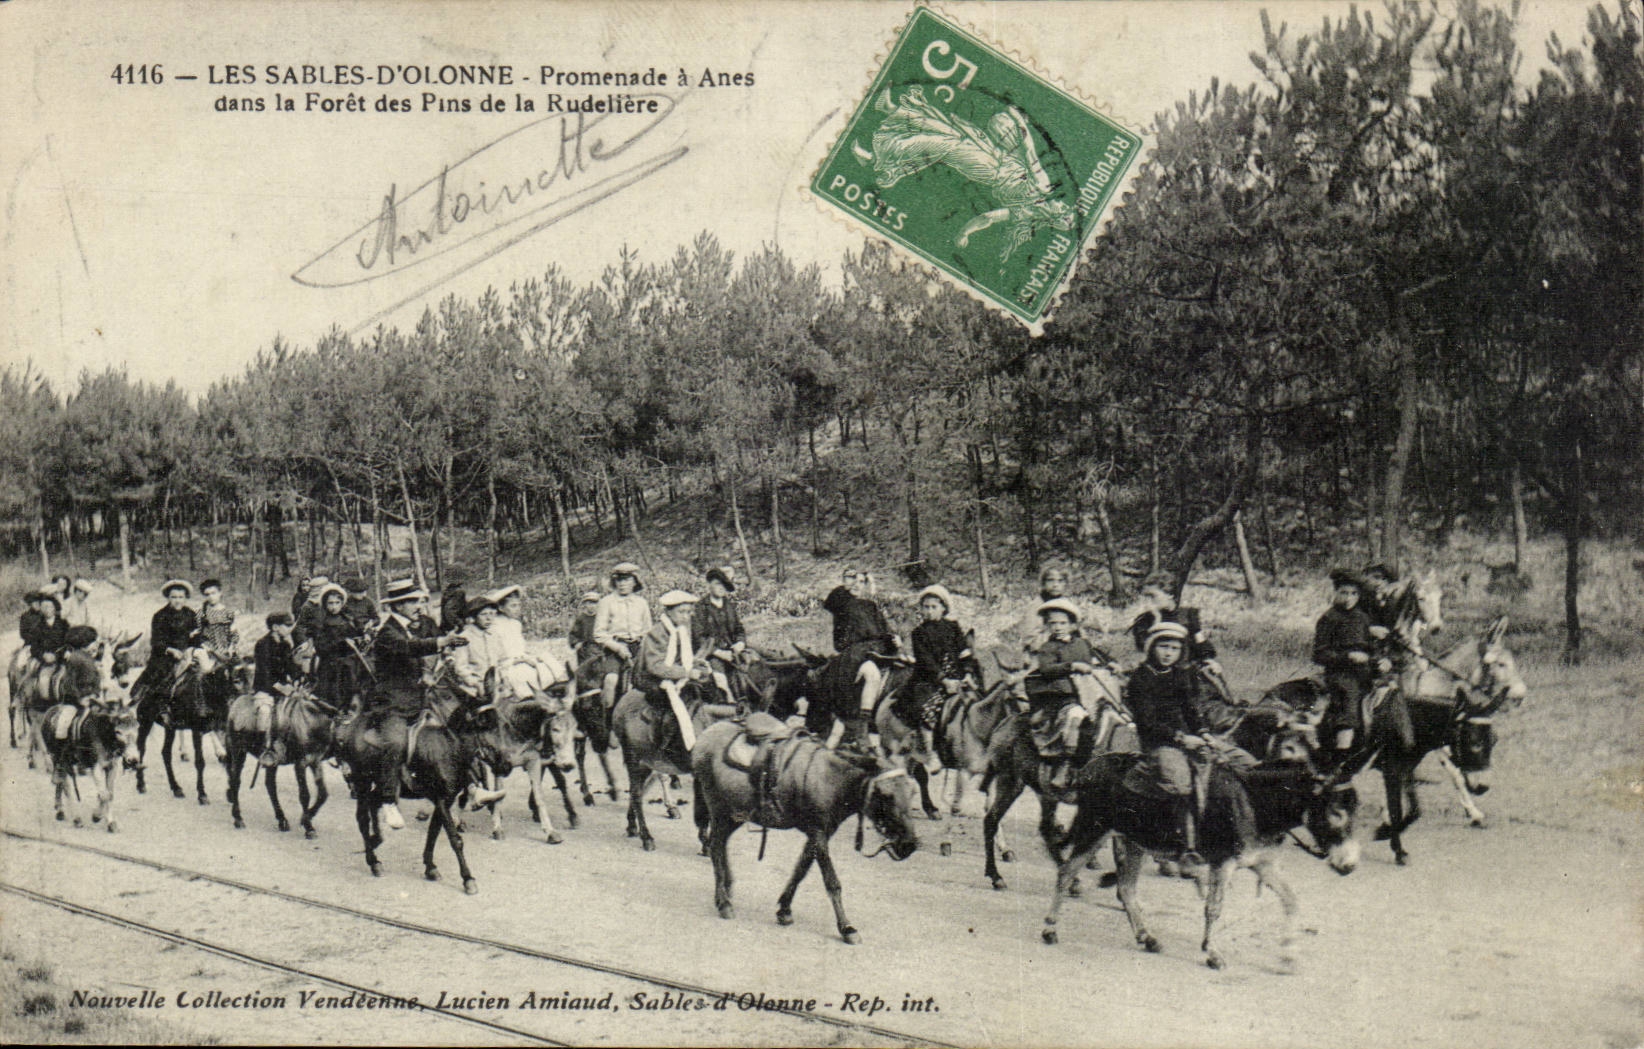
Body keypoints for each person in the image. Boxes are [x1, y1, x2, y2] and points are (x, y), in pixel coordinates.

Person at [360, 578, 484, 830]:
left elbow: (429, 646)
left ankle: (473, 785)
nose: (418, 606)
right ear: (398, 606)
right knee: (394, 741)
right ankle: (387, 801)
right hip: (392, 703)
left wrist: (443, 654)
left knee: (457, 728)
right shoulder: (388, 632)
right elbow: (409, 647)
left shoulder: (417, 625)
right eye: (412, 602)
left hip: (421, 698)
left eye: (418, 601)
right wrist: (440, 643)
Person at [1125, 620, 1209, 861]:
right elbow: (1147, 723)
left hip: (1187, 738)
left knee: (1229, 764)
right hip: (1159, 742)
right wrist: (1182, 739)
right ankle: (1177, 843)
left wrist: (1203, 732)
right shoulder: (1141, 678)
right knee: (1180, 783)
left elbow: (1190, 709)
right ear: (1152, 647)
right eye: (1163, 647)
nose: (1168, 653)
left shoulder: (1179, 675)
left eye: (1174, 649)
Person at [1023, 599, 1102, 788]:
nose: (1058, 627)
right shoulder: (1048, 648)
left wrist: (1110, 664)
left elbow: (1097, 657)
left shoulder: (1082, 643)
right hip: (1061, 695)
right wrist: (1071, 666)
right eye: (1053, 623)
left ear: (1073, 625)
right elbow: (1047, 669)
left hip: (1088, 691)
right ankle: (1065, 765)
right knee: (1075, 716)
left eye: (1063, 623)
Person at [1312, 569, 1388, 752]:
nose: (1349, 598)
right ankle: (1342, 751)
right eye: (1344, 593)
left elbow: (1371, 648)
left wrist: (1382, 661)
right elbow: (1319, 654)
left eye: (1354, 593)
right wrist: (1347, 657)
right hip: (1341, 673)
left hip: (1366, 671)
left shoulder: (1362, 618)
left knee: (1391, 692)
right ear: (1335, 593)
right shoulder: (1329, 618)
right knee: (1349, 698)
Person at [820, 567, 898, 743]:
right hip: (854, 654)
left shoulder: (871, 606)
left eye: (861, 581)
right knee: (872, 675)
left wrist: (894, 638)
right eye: (852, 580)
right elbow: (831, 600)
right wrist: (847, 586)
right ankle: (861, 728)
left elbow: (885, 629)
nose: (857, 584)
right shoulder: (842, 602)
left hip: (877, 651)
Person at [631, 589, 712, 752]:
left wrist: (697, 664)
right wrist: (686, 673)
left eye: (689, 612)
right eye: (681, 612)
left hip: (675, 674)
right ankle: (668, 743)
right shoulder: (657, 633)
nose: (686, 616)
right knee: (673, 703)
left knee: (710, 686)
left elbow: (681, 656)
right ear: (668, 612)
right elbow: (655, 666)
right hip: (652, 678)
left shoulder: (682, 629)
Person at [1128, 573, 1228, 700]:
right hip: (1157, 674)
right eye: (1145, 597)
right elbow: (1145, 649)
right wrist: (1156, 619)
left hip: (1188, 673)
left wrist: (1209, 660)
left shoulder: (1187, 616)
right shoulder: (1144, 621)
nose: (1148, 602)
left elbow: (1202, 646)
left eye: (1152, 596)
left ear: (1170, 594)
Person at [902, 584, 971, 756]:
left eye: (934, 607)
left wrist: (968, 673)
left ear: (943, 608)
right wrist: (944, 680)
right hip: (930, 680)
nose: (930, 611)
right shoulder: (918, 633)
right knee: (928, 710)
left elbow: (964, 651)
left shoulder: (953, 627)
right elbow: (926, 661)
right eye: (926, 607)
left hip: (957, 676)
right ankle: (930, 752)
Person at [488, 586, 568, 702]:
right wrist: (519, 660)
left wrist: (529, 656)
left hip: (522, 657)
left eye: (518, 605)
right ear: (501, 608)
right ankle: (529, 698)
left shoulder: (516, 624)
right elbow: (498, 655)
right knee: (523, 672)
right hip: (508, 664)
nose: (518, 609)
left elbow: (519, 647)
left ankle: (556, 690)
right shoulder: (494, 626)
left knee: (547, 660)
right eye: (513, 606)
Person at [592, 562, 652, 711]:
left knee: (649, 680)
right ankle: (608, 718)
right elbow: (599, 633)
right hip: (615, 648)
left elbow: (647, 630)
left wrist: (643, 646)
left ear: (634, 582)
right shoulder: (606, 602)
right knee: (611, 681)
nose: (623, 584)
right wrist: (617, 648)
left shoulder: (641, 603)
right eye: (619, 580)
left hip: (638, 647)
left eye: (627, 580)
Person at [133, 580, 198, 702]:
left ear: (185, 598)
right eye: (173, 597)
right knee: (161, 679)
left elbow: (196, 636)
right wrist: (171, 650)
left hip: (187, 653)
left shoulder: (191, 614)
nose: (177, 600)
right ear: (168, 598)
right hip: (165, 655)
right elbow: (156, 641)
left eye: (181, 597)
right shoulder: (160, 616)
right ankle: (159, 705)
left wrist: (192, 648)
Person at [691, 566, 747, 706]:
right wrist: (718, 652)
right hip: (711, 653)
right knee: (718, 675)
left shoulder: (729, 606)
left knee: (750, 667)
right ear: (709, 585)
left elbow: (739, 629)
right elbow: (699, 637)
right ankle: (727, 703)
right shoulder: (700, 607)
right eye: (717, 584)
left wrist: (740, 643)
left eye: (724, 585)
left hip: (731, 650)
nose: (721, 588)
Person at [253, 612, 303, 767]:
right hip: (265, 688)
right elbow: (264, 672)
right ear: (275, 627)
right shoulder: (262, 644)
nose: (290, 628)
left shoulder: (286, 644)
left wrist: (298, 678)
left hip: (282, 688)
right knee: (265, 712)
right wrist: (284, 689)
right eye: (287, 625)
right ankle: (265, 748)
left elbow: (290, 667)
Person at [50, 625, 106, 740]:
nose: (96, 645)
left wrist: (95, 693)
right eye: (93, 642)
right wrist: (80, 698)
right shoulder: (74, 658)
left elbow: (96, 679)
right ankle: (62, 749)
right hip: (75, 700)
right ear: (83, 643)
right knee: (63, 725)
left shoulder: (90, 657)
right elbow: (70, 683)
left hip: (91, 697)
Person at [312, 584, 364, 708]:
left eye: (337, 602)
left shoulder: (347, 618)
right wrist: (341, 642)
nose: (334, 606)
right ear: (325, 604)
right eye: (330, 603)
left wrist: (360, 637)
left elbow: (357, 634)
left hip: (350, 658)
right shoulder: (321, 622)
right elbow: (320, 647)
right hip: (330, 661)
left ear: (342, 603)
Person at [453, 594, 510, 699]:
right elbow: (461, 668)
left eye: (491, 614)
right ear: (474, 617)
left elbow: (503, 660)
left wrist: (505, 679)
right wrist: (476, 684)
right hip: (473, 688)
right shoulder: (464, 637)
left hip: (496, 686)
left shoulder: (494, 635)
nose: (488, 618)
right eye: (483, 614)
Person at [567, 590, 601, 674]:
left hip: (599, 646)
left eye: (594, 603)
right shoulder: (581, 618)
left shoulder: (601, 618)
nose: (591, 606)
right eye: (589, 603)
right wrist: (576, 643)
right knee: (585, 668)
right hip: (586, 648)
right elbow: (573, 634)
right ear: (585, 605)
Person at [292, 575, 329, 648]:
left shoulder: (333, 602)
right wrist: (305, 642)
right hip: (314, 642)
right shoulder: (308, 606)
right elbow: (300, 626)